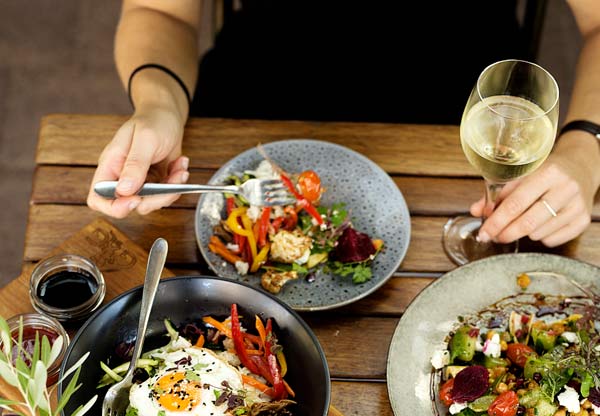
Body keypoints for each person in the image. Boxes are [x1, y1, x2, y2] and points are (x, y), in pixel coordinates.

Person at [87, 0, 600, 250]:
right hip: (256, 104)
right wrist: (159, 106)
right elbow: (159, 11)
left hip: (464, 113)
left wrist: (585, 145)